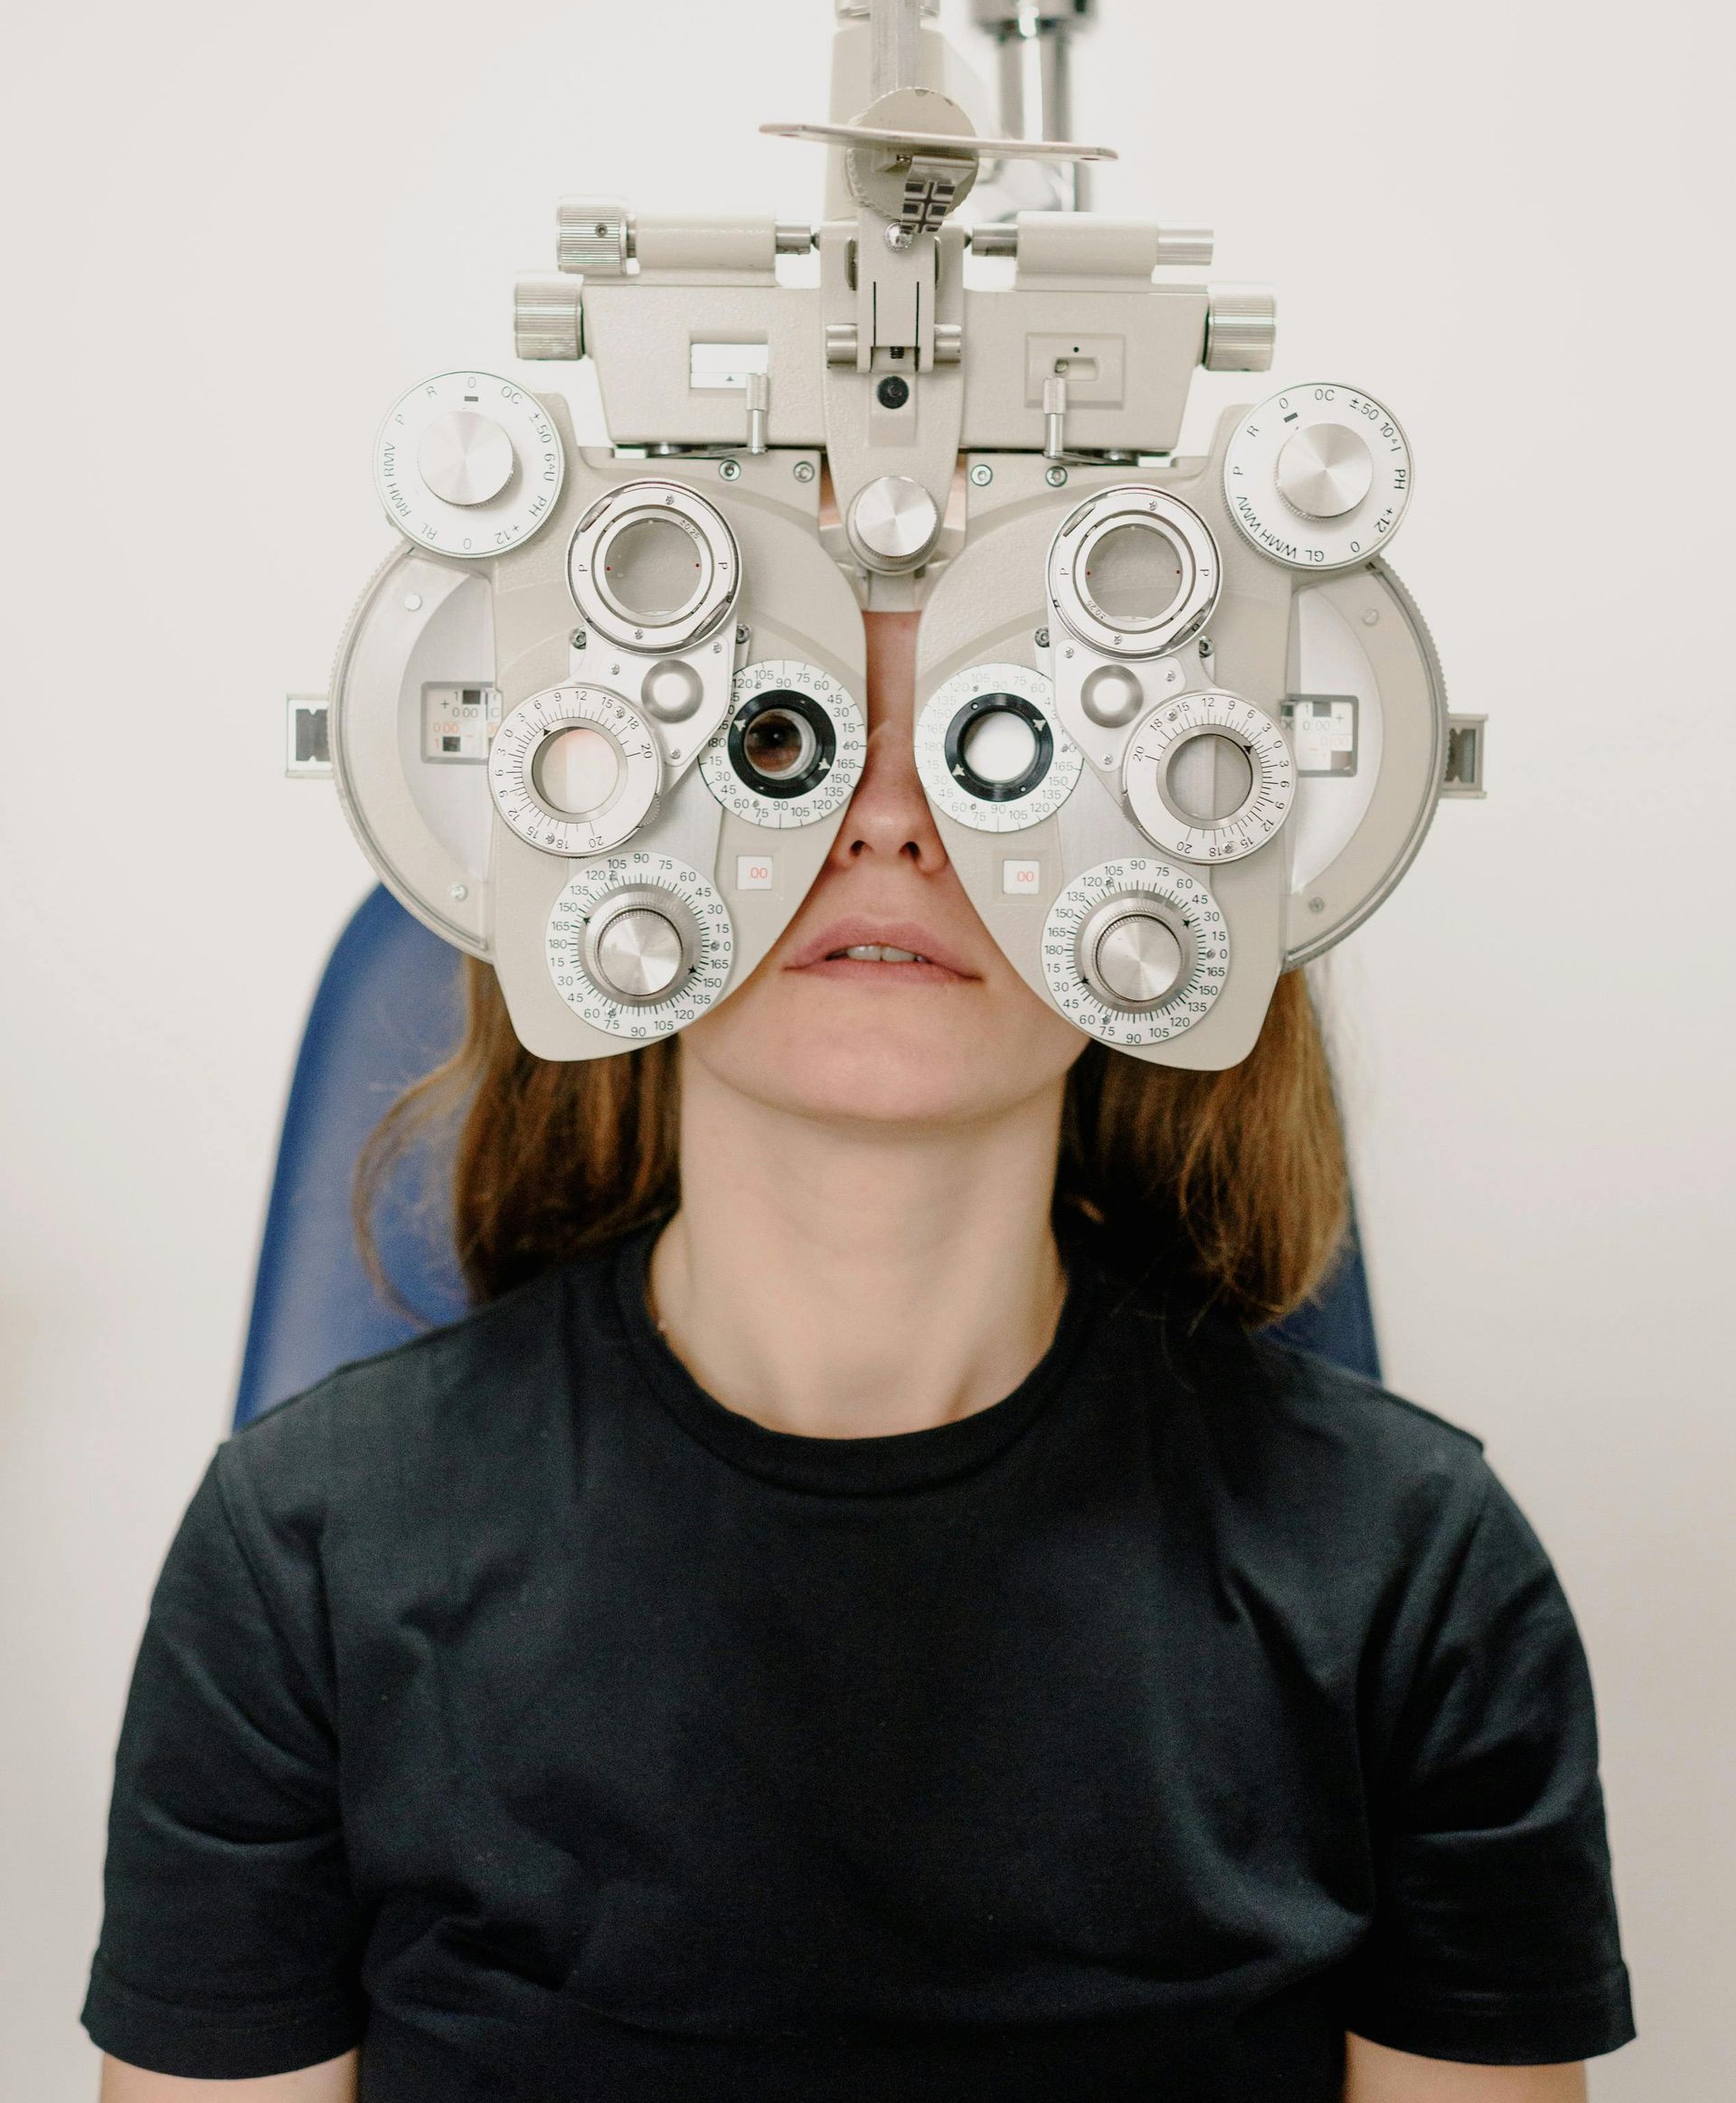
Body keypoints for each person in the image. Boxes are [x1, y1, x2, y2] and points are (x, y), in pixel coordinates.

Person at [86, 611, 1634, 2102]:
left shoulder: (1418, 1578)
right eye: (781, 740)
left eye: (1002, 744)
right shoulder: (304, 1557)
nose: (888, 819)